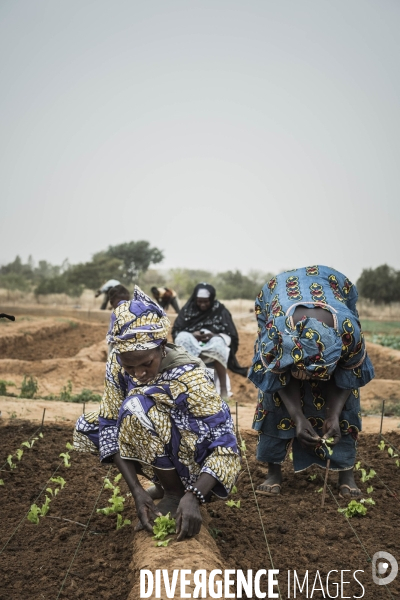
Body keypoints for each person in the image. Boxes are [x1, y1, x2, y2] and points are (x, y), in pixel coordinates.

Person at [73, 287, 240, 540]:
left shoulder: (190, 376)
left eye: (146, 363)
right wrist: (136, 490)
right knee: (90, 426)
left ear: (162, 347)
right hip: (159, 442)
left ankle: (176, 492)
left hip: (196, 458)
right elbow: (108, 422)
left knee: (136, 405)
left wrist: (194, 495)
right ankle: (164, 486)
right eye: (130, 366)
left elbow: (226, 446)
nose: (138, 373)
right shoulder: (117, 365)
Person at [248, 265, 374, 498]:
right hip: (277, 293)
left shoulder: (349, 334)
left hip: (334, 283)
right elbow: (274, 376)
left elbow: (349, 374)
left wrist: (333, 415)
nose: (313, 380)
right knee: (272, 398)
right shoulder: (276, 333)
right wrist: (297, 416)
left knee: (348, 402)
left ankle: (346, 473)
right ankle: (273, 472)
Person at [172, 283, 248, 399]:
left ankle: (223, 390)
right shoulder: (188, 310)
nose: (202, 305)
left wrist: (213, 334)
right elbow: (177, 330)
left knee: (218, 344)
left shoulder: (220, 310)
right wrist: (193, 334)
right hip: (192, 341)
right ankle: (186, 387)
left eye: (206, 301)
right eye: (199, 301)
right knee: (182, 338)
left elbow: (231, 333)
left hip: (213, 339)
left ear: (211, 299)